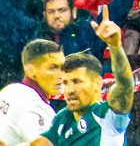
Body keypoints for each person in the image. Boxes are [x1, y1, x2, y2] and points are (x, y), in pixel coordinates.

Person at [27, 10, 130, 146]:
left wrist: (115, 47)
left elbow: (125, 85)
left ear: (97, 83)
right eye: (65, 82)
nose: (69, 90)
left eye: (76, 82)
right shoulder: (63, 118)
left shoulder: (107, 116)